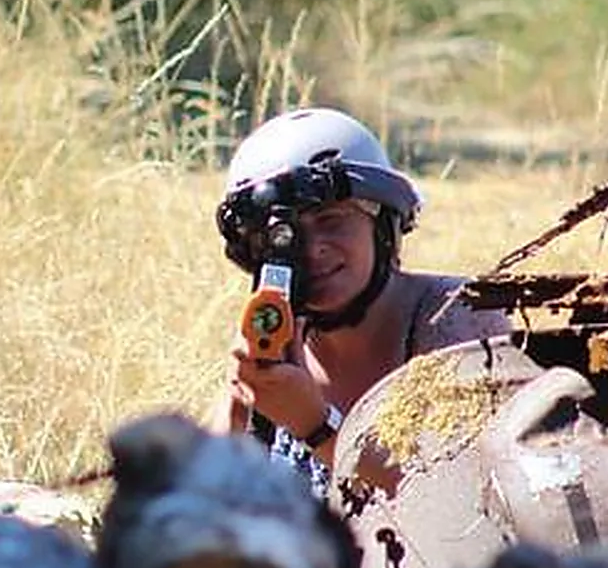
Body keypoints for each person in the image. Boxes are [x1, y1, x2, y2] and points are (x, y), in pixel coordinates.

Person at [211, 106, 510, 496]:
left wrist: (316, 426)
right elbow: (197, 502)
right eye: (286, 238)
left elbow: (462, 506)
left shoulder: (454, 317)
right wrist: (241, 402)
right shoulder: (278, 343)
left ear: (383, 224)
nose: (313, 250)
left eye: (331, 220)